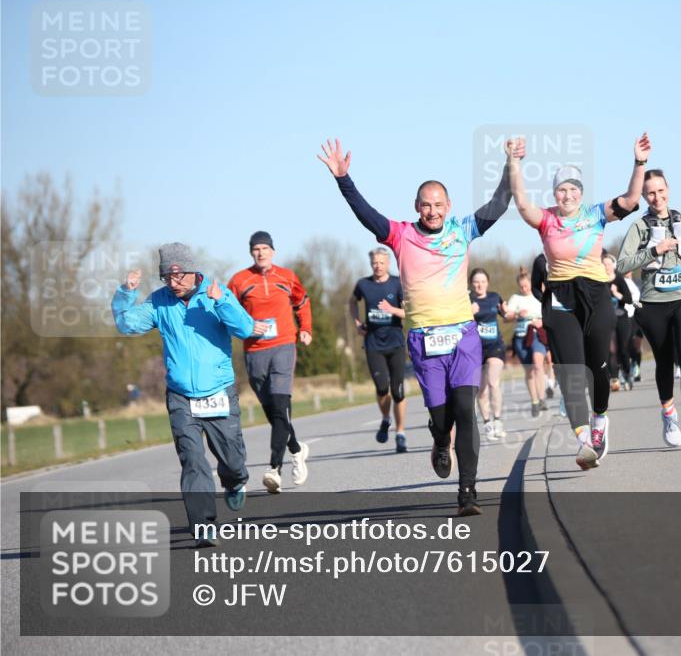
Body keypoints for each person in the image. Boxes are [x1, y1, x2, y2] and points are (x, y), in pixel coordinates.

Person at [318, 137, 513, 516]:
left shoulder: (463, 229)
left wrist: (509, 163)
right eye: (426, 205)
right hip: (424, 341)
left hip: (463, 337)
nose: (432, 211)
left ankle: (467, 493)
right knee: (442, 418)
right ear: (416, 207)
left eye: (438, 204)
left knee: (466, 411)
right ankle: (440, 442)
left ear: (448, 206)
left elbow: (499, 203)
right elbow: (366, 213)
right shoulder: (400, 234)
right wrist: (344, 179)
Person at [507, 133, 650, 470]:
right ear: (554, 194)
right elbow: (521, 202)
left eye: (573, 189)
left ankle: (600, 422)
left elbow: (630, 200)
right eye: (561, 189)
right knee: (571, 371)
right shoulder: (546, 219)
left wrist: (639, 163)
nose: (567, 194)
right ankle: (584, 441)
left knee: (599, 367)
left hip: (596, 294)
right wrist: (514, 163)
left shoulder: (595, 213)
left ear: (581, 193)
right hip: (559, 297)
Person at [113, 243, 256, 546]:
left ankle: (235, 481)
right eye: (167, 278)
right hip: (180, 396)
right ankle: (203, 524)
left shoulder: (216, 293)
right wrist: (126, 293)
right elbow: (126, 324)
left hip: (218, 390)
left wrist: (222, 304)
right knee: (192, 460)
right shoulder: (159, 302)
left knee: (231, 458)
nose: (174, 284)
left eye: (179, 277)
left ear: (193, 271)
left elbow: (245, 329)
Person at [617, 168, 681, 448]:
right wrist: (654, 252)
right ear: (644, 196)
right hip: (654, 303)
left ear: (668, 189)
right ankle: (669, 415)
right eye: (650, 193)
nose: (657, 197)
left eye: (660, 191)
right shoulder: (640, 226)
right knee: (665, 361)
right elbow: (622, 264)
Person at [228, 231, 313, 495]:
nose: (261, 252)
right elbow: (227, 311)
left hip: (284, 346)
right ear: (251, 252)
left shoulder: (287, 276)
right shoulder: (240, 280)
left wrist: (306, 328)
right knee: (273, 413)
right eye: (256, 249)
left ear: (273, 251)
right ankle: (297, 450)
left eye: (265, 248)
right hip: (254, 351)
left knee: (279, 405)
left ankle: (274, 468)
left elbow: (302, 302)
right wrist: (244, 328)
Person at [350, 247, 408, 453]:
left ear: (388, 263)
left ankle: (400, 433)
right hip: (373, 344)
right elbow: (352, 302)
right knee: (382, 388)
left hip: (396, 343)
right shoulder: (363, 284)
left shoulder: (397, 283)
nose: (378, 266)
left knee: (398, 391)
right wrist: (357, 323)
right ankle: (386, 418)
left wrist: (392, 310)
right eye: (374, 262)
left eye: (381, 262)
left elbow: (408, 312)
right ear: (371, 263)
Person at [469, 268, 506, 441]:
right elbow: (456, 322)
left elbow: (506, 316)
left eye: (483, 281)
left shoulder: (494, 297)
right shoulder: (467, 300)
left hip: (494, 346)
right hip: (475, 350)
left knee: (493, 382)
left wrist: (509, 312)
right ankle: (487, 423)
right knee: (481, 390)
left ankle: (498, 420)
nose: (479, 285)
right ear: (471, 283)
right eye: (476, 281)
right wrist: (469, 312)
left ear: (487, 283)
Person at [505, 267, 548, 416]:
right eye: (521, 286)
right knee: (529, 371)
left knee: (538, 364)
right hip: (521, 337)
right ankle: (534, 401)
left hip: (537, 335)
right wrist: (517, 314)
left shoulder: (539, 296)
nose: (524, 289)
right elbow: (506, 317)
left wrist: (541, 321)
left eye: (526, 285)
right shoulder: (516, 298)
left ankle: (542, 397)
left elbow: (550, 313)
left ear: (531, 283)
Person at [602, 252, 635, 392]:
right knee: (610, 350)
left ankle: (627, 374)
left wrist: (616, 294)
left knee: (622, 349)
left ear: (613, 265)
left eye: (609, 264)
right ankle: (614, 378)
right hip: (606, 320)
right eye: (604, 264)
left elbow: (629, 299)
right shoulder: (599, 281)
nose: (607, 267)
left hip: (621, 317)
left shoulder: (619, 279)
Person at [530, 252, 558, 400]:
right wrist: (547, 301)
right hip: (552, 316)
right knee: (556, 357)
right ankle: (559, 387)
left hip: (573, 309)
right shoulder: (540, 261)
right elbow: (535, 288)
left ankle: (557, 383)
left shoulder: (570, 252)